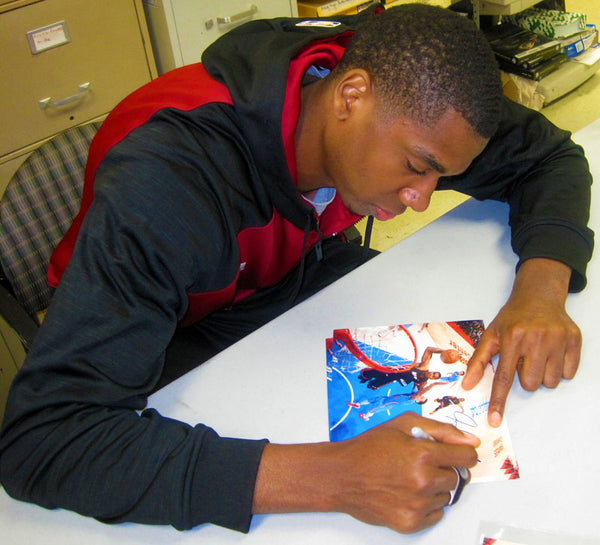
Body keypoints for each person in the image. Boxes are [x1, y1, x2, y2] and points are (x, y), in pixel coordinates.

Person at [0, 3, 593, 537]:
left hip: (286, 270)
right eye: (416, 167)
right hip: (169, 321)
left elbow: (550, 156)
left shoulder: (403, 90)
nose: (421, 198)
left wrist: (541, 291)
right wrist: (334, 478)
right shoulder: (168, 184)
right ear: (350, 96)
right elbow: (42, 440)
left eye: (438, 174)